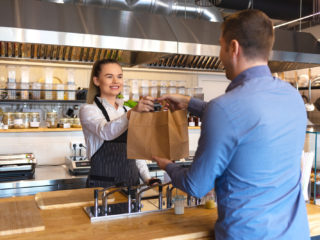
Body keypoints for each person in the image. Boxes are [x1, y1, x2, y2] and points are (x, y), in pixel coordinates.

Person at [153, 9, 310, 240]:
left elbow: (196, 186)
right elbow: (248, 123)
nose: (219, 55)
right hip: (295, 233)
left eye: (220, 46)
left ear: (233, 48)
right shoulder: (293, 97)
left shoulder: (224, 108)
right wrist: (189, 103)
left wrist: (165, 164)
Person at [80, 59, 156, 188]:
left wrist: (147, 178)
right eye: (109, 76)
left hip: (132, 185)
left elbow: (136, 152)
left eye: (119, 77)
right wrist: (133, 113)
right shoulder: (88, 110)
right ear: (96, 81)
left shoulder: (126, 110)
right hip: (102, 186)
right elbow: (106, 132)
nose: (116, 81)